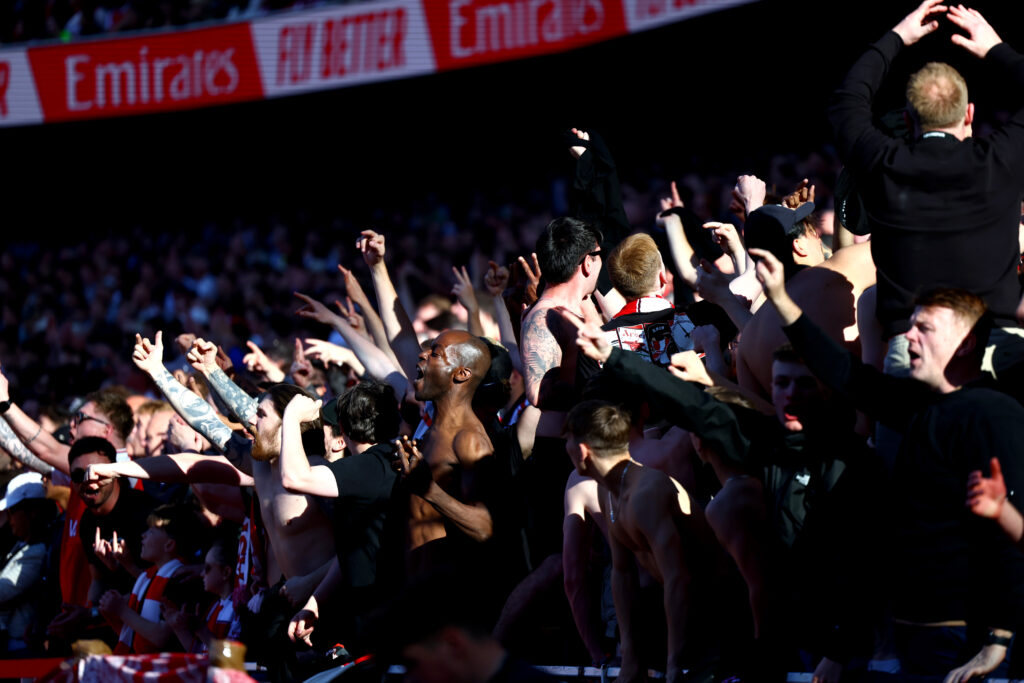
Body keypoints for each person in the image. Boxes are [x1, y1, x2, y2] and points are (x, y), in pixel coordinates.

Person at [754, 246, 1024, 679]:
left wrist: (998, 640)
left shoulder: (993, 415)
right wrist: (782, 300)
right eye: (909, 325)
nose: (908, 336)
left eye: (924, 328)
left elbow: (1012, 533)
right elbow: (845, 374)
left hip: (969, 642)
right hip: (919, 637)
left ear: (967, 342)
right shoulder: (919, 406)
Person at [828, 0, 1024, 374]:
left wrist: (897, 37)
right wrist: (996, 49)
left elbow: (846, 100)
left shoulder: (882, 164)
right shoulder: (999, 160)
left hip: (913, 357)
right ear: (969, 114)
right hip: (996, 353)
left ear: (907, 117)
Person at [563, 400, 723, 683]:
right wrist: (631, 658)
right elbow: (622, 575)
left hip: (719, 616)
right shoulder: (609, 491)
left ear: (582, 449)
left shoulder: (645, 494)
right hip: (679, 611)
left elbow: (679, 578)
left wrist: (676, 661)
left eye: (569, 440)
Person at [279, 381, 403, 651]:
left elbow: (293, 478)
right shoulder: (381, 461)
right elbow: (353, 548)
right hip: (371, 615)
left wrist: (290, 417)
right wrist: (315, 603)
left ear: (344, 430)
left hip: (383, 619)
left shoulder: (370, 466)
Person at [393, 330, 498, 578]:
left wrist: (431, 491)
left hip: (447, 600)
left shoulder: (470, 440)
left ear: (461, 374)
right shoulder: (428, 433)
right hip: (412, 591)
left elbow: (485, 527)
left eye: (435, 353)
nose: (422, 354)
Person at [99, 503, 197, 654]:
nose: (143, 535)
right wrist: (112, 612)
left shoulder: (180, 579)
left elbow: (161, 637)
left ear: (169, 545)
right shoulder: (149, 576)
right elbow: (136, 636)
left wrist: (122, 611)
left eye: (151, 531)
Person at [0, 472, 56, 653]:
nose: (9, 519)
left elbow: (3, 592)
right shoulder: (19, 543)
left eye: (13, 511)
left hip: (21, 643)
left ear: (33, 511)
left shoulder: (38, 551)